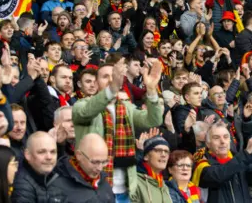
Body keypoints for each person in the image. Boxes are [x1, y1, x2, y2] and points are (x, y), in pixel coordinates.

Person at [72, 58, 164, 201]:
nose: (111, 80)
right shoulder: (81, 105)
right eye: (105, 76)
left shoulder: (126, 106)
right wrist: (112, 89)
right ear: (96, 83)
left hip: (125, 191)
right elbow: (87, 112)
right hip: (94, 188)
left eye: (114, 76)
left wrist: (151, 89)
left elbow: (154, 120)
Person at [192, 123, 252, 203]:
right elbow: (219, 175)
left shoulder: (239, 161)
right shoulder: (202, 164)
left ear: (230, 141)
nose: (222, 141)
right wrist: (246, 154)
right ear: (208, 144)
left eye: (226, 137)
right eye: (216, 138)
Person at [54, 133, 115, 202]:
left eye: (104, 162)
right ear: (79, 155)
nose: (100, 168)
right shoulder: (57, 187)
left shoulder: (103, 181)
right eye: (95, 162)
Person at [11, 131, 64, 203]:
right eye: (41, 152)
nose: (49, 157)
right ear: (27, 155)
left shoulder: (54, 176)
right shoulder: (22, 187)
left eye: (53, 152)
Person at [132, 135, 173, 203]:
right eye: (158, 150)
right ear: (146, 156)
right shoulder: (135, 182)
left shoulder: (163, 185)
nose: (163, 155)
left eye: (166, 151)